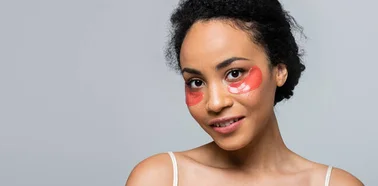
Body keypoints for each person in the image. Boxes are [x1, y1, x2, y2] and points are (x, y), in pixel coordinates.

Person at [126, 0, 364, 185]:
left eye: (234, 73)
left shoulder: (334, 184)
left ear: (279, 70)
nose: (215, 103)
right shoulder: (160, 179)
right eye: (196, 82)